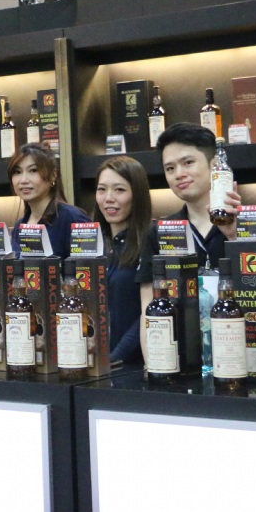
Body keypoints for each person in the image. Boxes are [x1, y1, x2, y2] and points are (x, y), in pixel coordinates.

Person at [135, 123, 242, 321]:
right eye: (170, 168)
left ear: (214, 164)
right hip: (180, 337)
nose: (179, 174)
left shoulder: (253, 223)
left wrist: (235, 237)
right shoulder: (159, 232)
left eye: (188, 162)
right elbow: (147, 309)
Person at [93, 155, 152, 365]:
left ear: (137, 195)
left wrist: (115, 357)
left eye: (119, 190)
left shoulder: (150, 242)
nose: (108, 198)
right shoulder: (94, 244)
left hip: (133, 365)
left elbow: (148, 313)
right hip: (95, 364)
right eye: (102, 189)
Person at [8, 142, 89, 258]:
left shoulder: (73, 218)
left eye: (33, 170)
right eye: (17, 172)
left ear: (53, 175)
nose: (23, 180)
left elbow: (89, 266)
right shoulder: (19, 226)